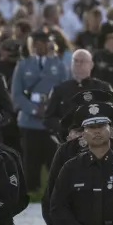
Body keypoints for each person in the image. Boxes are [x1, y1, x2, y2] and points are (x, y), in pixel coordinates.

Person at [11, 30, 68, 195]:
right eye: (35, 43)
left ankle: (55, 192)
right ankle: (30, 191)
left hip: (51, 120)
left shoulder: (59, 65)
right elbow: (16, 94)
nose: (39, 46)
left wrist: (51, 110)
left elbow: (64, 91)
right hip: (29, 120)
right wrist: (33, 109)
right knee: (30, 160)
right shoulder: (23, 65)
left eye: (43, 43)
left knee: (53, 159)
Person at [43, 48, 113, 138]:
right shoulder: (59, 89)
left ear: (91, 65)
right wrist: (69, 129)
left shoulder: (103, 88)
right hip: (68, 142)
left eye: (83, 61)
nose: (78, 64)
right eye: (75, 61)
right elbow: (48, 119)